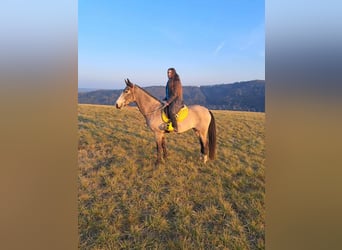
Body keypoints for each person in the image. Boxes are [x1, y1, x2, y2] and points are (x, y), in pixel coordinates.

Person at [163, 68, 184, 132]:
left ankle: (175, 127)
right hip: (171, 99)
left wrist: (168, 102)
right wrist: (166, 98)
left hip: (177, 100)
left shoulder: (176, 81)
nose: (168, 74)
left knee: (171, 111)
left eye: (170, 73)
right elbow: (168, 92)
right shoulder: (169, 81)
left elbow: (175, 94)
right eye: (168, 72)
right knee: (164, 110)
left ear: (173, 73)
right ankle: (168, 125)